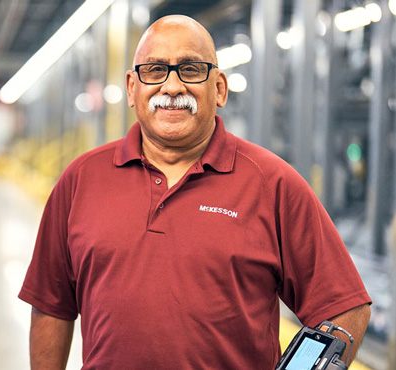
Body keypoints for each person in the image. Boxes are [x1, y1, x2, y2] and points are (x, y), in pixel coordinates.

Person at [19, 15, 371, 369]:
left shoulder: (273, 184)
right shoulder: (81, 179)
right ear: (131, 88)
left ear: (219, 88)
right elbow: (51, 305)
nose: (171, 87)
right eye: (155, 70)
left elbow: (344, 306)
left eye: (190, 69)